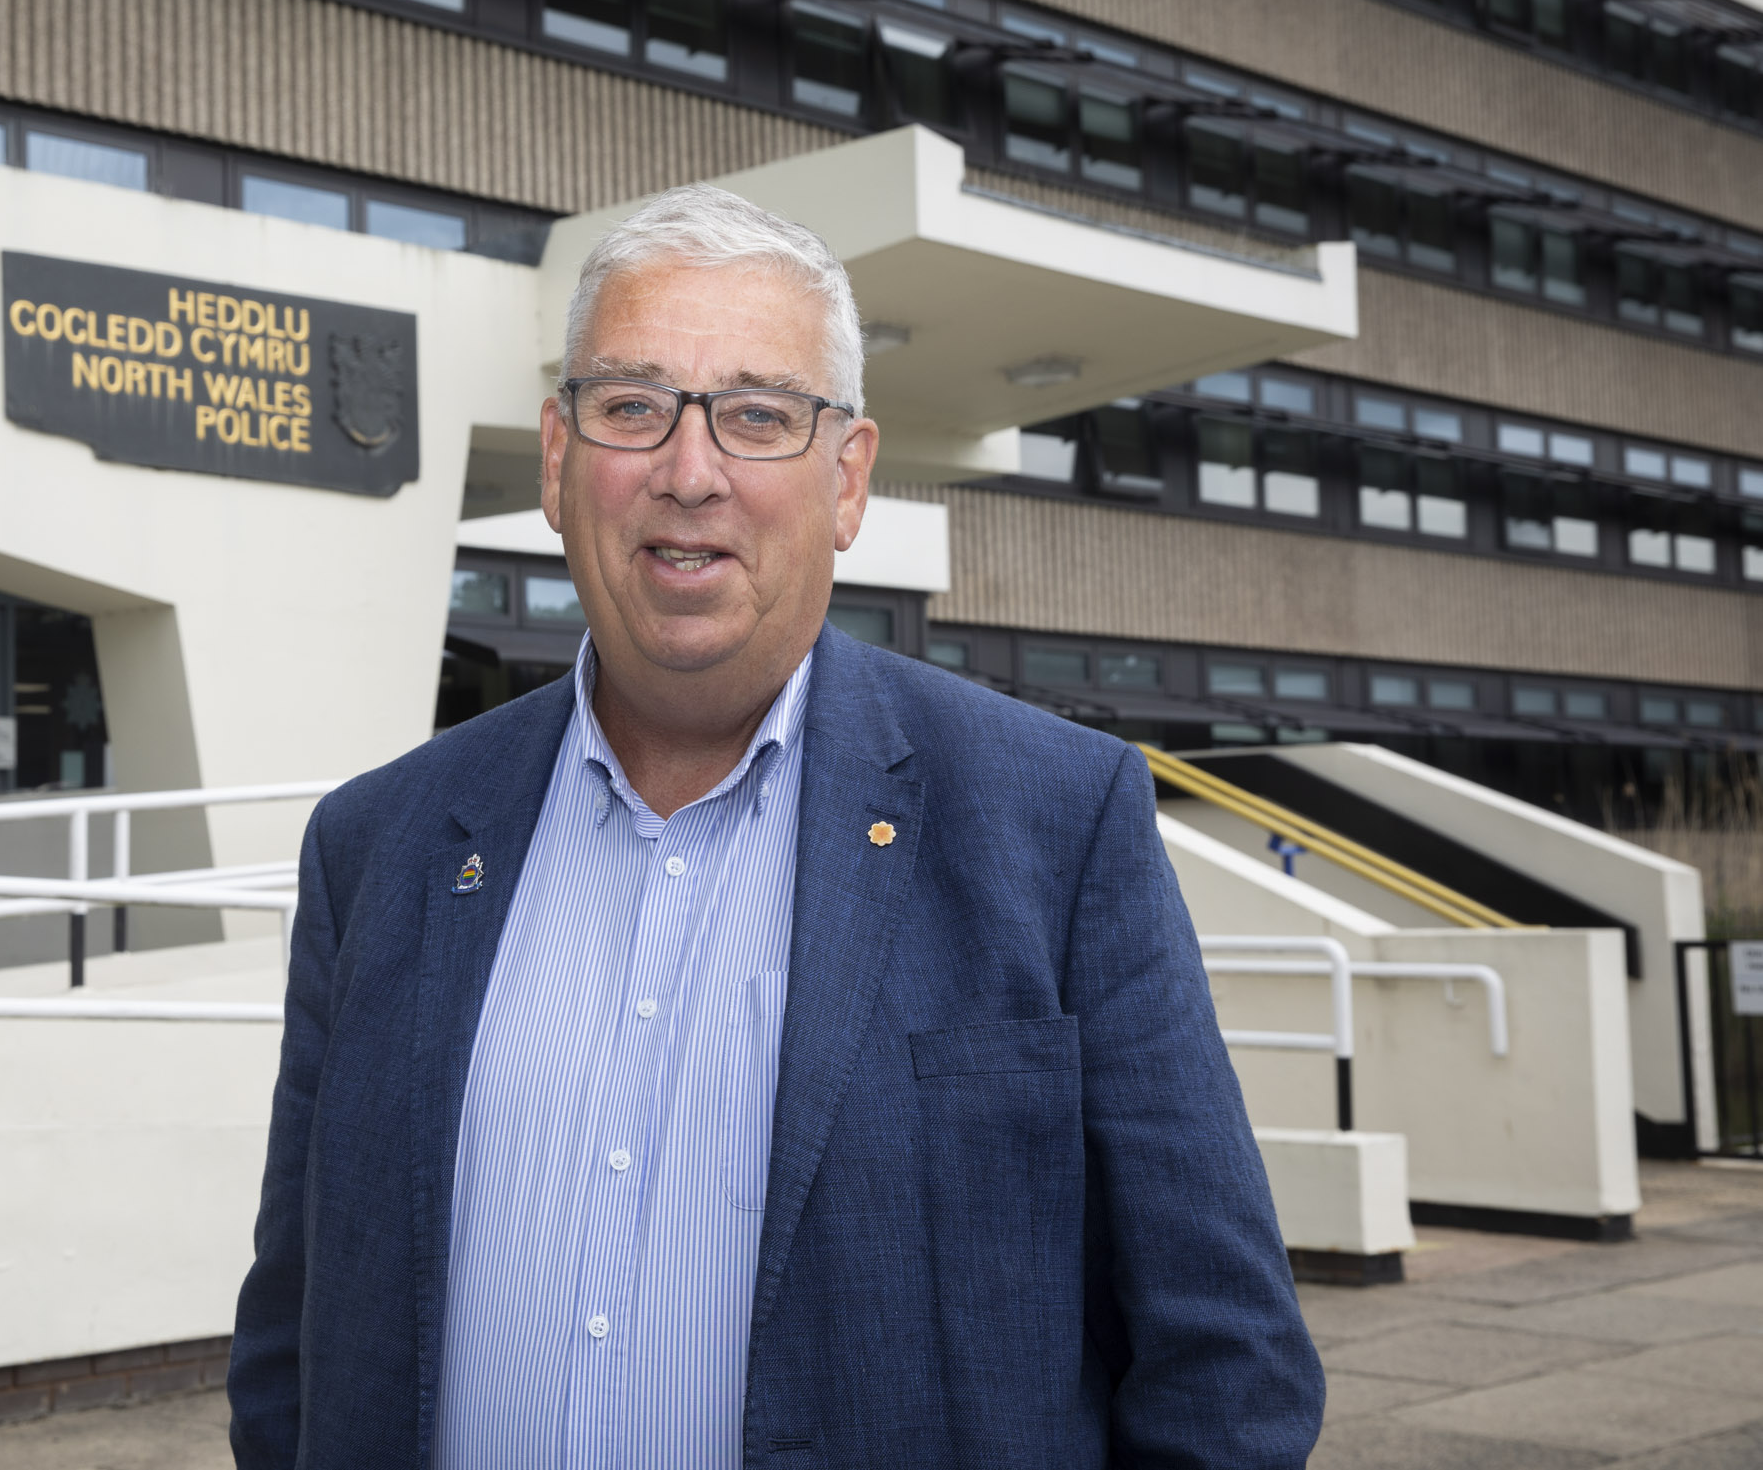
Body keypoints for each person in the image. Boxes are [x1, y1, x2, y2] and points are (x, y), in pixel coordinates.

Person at [228, 184, 1323, 1467]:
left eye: (757, 417)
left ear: (847, 479)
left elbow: (1224, 1365)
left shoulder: (1051, 822)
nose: (689, 474)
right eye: (631, 407)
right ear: (557, 460)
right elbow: (295, 1343)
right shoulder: (379, 846)